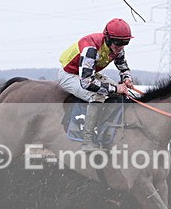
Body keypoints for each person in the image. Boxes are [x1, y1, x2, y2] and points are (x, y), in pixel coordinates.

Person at [57, 18, 134, 151]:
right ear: (108, 38)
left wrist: (127, 79)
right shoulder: (90, 48)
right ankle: (87, 142)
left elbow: (123, 67)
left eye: (125, 43)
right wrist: (116, 87)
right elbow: (87, 83)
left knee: (124, 92)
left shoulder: (117, 47)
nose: (120, 47)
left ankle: (105, 128)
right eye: (118, 43)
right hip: (69, 75)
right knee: (97, 96)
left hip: (88, 73)